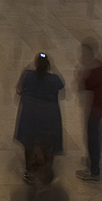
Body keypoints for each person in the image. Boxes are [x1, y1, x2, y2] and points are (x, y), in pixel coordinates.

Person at [14, 52, 66, 181]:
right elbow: (62, 84)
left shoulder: (28, 76)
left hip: (30, 116)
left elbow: (19, 88)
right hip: (49, 118)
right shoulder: (54, 80)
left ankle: (30, 171)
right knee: (48, 144)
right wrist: (52, 67)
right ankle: (46, 171)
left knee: (29, 143)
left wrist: (28, 66)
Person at [76, 39, 102, 183]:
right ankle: (92, 161)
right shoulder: (99, 65)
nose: (81, 54)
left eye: (84, 52)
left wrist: (80, 75)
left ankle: (94, 170)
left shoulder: (94, 71)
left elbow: (83, 85)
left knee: (93, 138)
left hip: (94, 110)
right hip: (95, 109)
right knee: (93, 136)